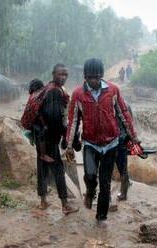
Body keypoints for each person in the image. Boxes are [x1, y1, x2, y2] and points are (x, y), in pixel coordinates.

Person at [66, 58, 139, 227]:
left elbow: (124, 115)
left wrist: (133, 136)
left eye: (97, 77)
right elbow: (73, 120)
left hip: (111, 144)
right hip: (90, 144)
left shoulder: (113, 90)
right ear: (85, 77)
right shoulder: (78, 94)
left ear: (102, 75)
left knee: (105, 183)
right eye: (90, 78)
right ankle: (90, 191)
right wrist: (69, 145)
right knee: (90, 176)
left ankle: (101, 217)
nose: (94, 81)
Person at [36, 64, 79, 215]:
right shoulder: (54, 91)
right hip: (49, 139)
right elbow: (55, 117)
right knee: (59, 171)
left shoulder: (49, 88)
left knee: (42, 170)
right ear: (53, 73)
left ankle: (43, 201)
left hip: (41, 137)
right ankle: (65, 205)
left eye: (66, 75)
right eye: (61, 74)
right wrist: (66, 135)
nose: (63, 77)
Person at [26, 79, 55, 163]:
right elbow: (38, 113)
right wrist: (45, 124)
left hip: (31, 123)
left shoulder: (32, 96)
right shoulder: (38, 97)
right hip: (37, 123)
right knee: (43, 133)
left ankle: (32, 138)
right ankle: (43, 155)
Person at [116, 104, 133, 201]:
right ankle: (123, 194)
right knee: (123, 168)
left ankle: (123, 194)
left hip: (113, 140)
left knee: (119, 168)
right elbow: (130, 123)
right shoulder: (126, 105)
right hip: (122, 139)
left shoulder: (106, 103)